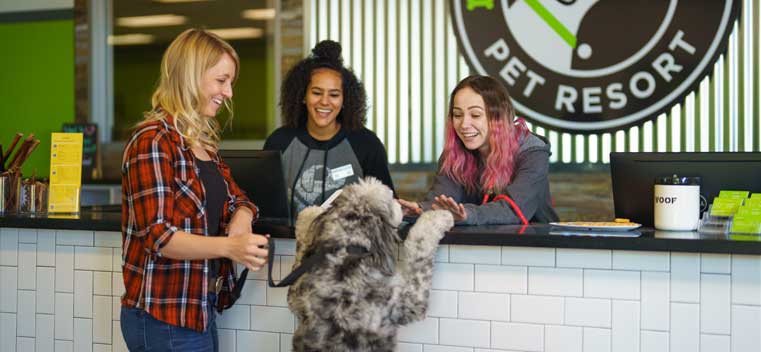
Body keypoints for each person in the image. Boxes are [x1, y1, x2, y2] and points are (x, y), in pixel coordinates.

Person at [119, 28, 269, 351]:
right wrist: (230, 248)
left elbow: (237, 197)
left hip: (199, 309)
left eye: (230, 82)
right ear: (191, 76)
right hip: (163, 316)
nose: (228, 92)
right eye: (221, 80)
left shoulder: (202, 145)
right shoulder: (152, 141)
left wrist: (241, 217)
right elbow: (159, 237)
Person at [398, 75, 558, 225]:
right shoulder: (455, 152)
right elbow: (441, 200)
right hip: (476, 247)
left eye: (475, 115)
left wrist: (467, 214)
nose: (464, 124)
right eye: (457, 115)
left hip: (537, 248)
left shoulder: (533, 151)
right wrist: (420, 210)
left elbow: (513, 209)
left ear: (499, 117)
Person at [264, 40, 394, 214]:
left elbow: (386, 207)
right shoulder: (280, 141)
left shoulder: (367, 144)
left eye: (334, 94)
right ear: (303, 96)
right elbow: (264, 205)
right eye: (316, 93)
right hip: (289, 241)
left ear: (344, 100)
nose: (324, 101)